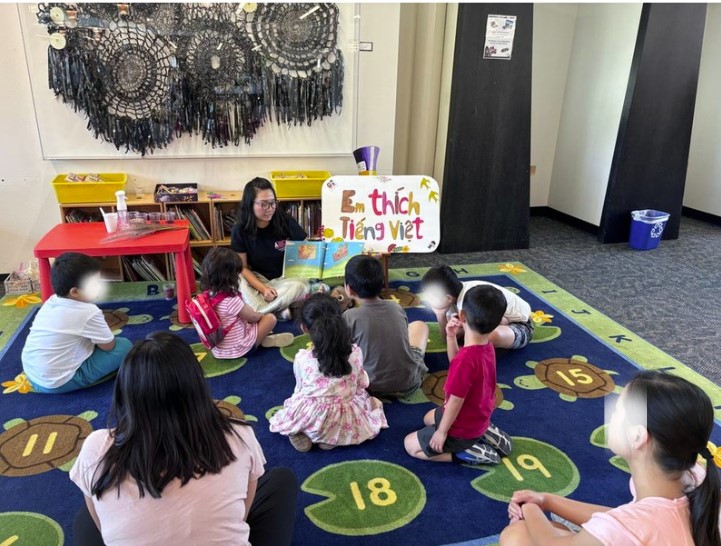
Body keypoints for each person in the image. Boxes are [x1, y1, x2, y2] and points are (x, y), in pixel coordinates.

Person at [70, 332, 298, 546]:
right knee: (281, 480)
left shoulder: (97, 448)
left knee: (85, 518)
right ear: (197, 386)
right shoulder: (239, 435)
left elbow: (99, 524)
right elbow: (243, 515)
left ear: (125, 393)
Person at [500, 371, 721, 546]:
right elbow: (619, 522)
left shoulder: (634, 523)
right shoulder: (695, 477)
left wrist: (528, 509)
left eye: (618, 411)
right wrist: (547, 500)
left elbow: (553, 543)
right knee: (553, 529)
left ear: (637, 436)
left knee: (517, 535)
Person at [404, 285, 513, 465]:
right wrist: (450, 337)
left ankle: (470, 453)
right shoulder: (486, 346)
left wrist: (442, 432)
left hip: (462, 428)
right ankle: (484, 431)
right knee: (427, 418)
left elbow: (455, 401)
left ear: (462, 316)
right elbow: (456, 363)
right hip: (478, 416)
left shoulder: (466, 360)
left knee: (410, 446)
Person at [269, 294, 388, 451]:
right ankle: (332, 435)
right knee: (360, 398)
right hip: (344, 409)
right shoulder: (355, 352)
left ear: (304, 328)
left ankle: (305, 430)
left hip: (313, 412)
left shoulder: (302, 358)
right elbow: (361, 383)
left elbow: (300, 389)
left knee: (298, 401)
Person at [21, 252, 132, 393]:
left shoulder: (51, 301)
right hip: (58, 382)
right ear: (74, 292)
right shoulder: (89, 312)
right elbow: (108, 347)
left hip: (32, 373)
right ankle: (83, 380)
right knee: (124, 346)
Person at [343, 255, 429, 397]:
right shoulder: (396, 307)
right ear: (382, 283)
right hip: (409, 384)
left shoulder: (349, 316)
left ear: (349, 289)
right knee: (420, 326)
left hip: (370, 388)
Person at [231, 178, 309, 316]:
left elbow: (306, 245)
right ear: (250, 205)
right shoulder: (240, 229)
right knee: (237, 279)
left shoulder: (283, 219)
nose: (270, 209)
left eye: (273, 203)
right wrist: (263, 289)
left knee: (302, 285)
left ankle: (262, 312)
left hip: (285, 278)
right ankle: (280, 307)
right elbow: (242, 267)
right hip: (258, 279)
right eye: (264, 204)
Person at [199, 248, 293, 359]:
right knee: (270, 319)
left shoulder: (207, 296)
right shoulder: (231, 300)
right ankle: (259, 340)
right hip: (240, 348)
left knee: (241, 320)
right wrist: (260, 316)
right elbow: (252, 317)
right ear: (231, 276)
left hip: (218, 350)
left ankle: (261, 338)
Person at [421, 265, 533, 350]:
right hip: (493, 320)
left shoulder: (469, 300)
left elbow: (455, 335)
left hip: (521, 325)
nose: (428, 300)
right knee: (471, 334)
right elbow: (448, 336)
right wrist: (439, 314)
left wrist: (459, 333)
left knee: (481, 336)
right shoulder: (452, 297)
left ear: (448, 298)